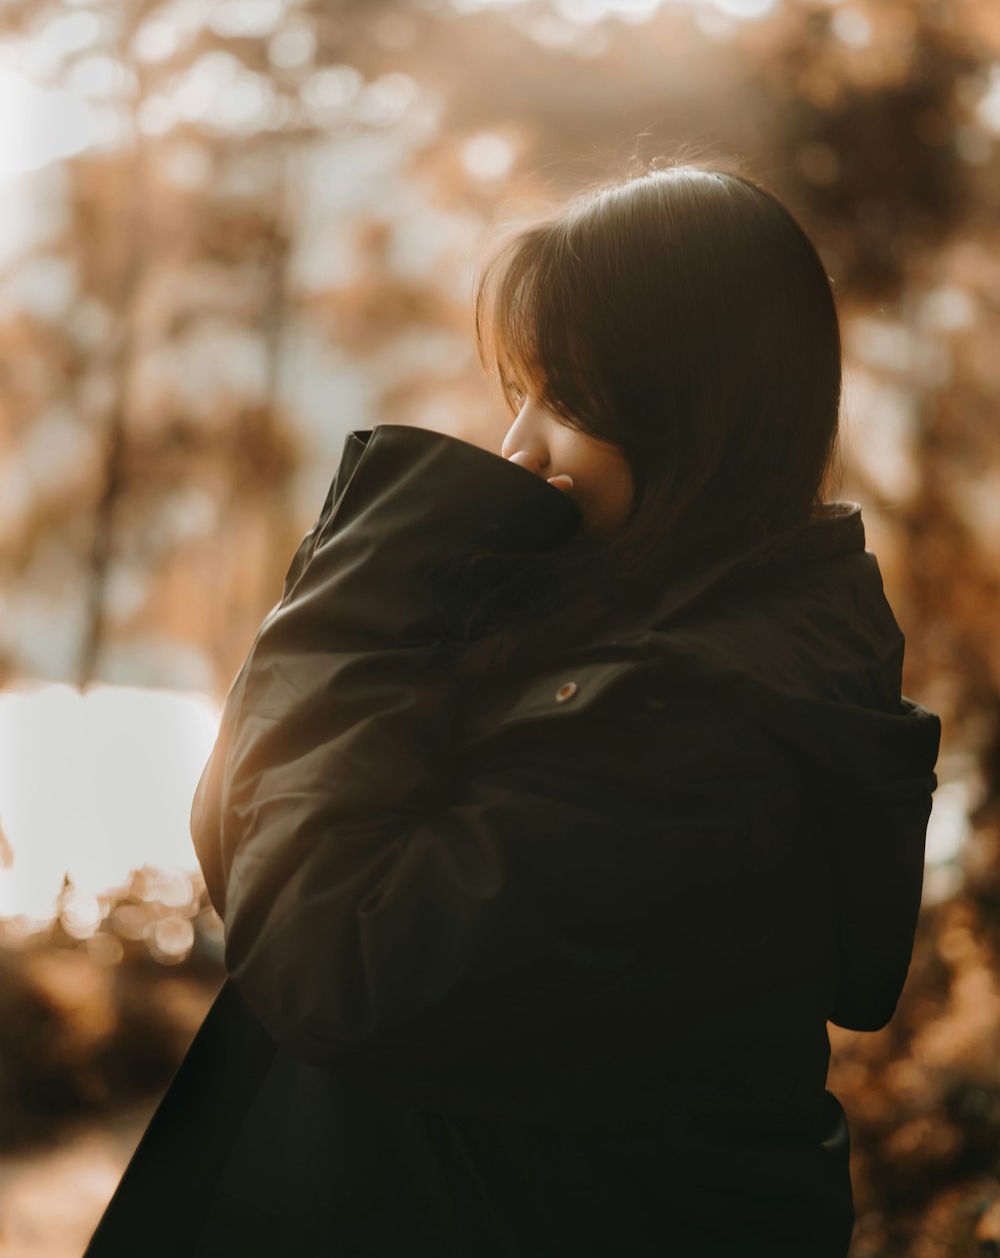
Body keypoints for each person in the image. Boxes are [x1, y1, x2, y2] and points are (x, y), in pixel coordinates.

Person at [83, 162, 941, 1257]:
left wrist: (363, 588)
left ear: (698, 409)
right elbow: (253, 859)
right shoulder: (642, 651)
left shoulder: (703, 730)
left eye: (569, 402)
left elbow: (331, 955)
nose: (518, 448)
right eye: (517, 396)